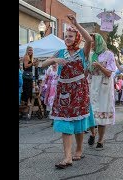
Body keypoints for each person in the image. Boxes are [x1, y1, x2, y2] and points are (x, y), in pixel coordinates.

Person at [37, 14, 95, 169]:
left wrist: (76, 23)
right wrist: (55, 60)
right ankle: (67, 157)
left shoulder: (83, 52)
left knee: (78, 121)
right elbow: (42, 64)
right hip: (64, 90)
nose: (67, 38)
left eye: (70, 36)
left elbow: (89, 40)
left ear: (76, 38)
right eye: (66, 36)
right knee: (64, 123)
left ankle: (79, 149)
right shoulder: (61, 52)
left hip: (79, 90)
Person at [87, 33, 117, 150]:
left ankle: (100, 139)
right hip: (92, 83)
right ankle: (92, 133)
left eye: (92, 41)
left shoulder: (108, 54)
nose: (90, 43)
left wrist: (99, 66)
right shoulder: (90, 55)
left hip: (104, 85)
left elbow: (110, 73)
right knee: (90, 112)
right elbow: (87, 72)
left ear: (98, 42)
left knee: (102, 113)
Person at [22, 46, 38, 118]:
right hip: (27, 76)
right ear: (27, 51)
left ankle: (27, 102)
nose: (30, 51)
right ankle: (27, 102)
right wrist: (32, 63)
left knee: (29, 89)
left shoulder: (30, 57)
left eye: (31, 50)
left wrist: (34, 63)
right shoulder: (26, 57)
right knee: (27, 89)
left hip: (29, 76)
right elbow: (25, 66)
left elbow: (30, 66)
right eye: (29, 50)